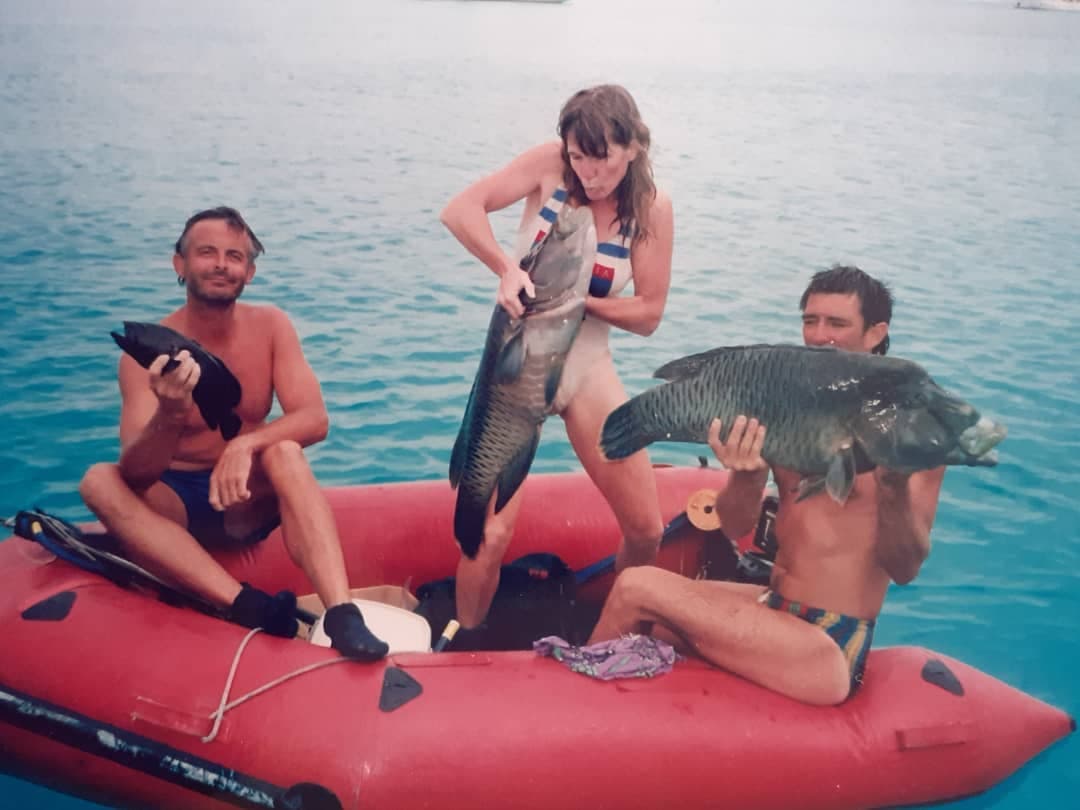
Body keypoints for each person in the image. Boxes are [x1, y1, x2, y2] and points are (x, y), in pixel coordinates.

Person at [589, 265, 945, 704]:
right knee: (655, 619)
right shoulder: (789, 405)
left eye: (837, 323)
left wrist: (892, 488)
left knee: (636, 587)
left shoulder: (911, 426)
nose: (819, 336)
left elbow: (906, 569)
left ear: (875, 333)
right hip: (775, 605)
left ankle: (571, 718)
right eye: (810, 321)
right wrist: (749, 473)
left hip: (829, 642)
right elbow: (735, 525)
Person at [79, 207, 388, 660]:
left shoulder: (271, 326)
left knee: (285, 451)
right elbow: (138, 474)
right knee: (98, 481)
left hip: (247, 498)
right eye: (206, 253)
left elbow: (315, 418)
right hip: (178, 505)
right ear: (179, 264)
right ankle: (249, 607)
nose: (221, 264)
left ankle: (341, 614)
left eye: (234, 256)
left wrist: (246, 442)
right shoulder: (143, 353)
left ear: (250, 271)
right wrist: (170, 410)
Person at [439, 84, 675, 628]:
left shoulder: (651, 207)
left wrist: (576, 302)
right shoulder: (548, 166)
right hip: (514, 364)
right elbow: (460, 210)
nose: (589, 174)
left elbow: (649, 314)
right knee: (489, 534)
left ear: (635, 146)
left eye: (604, 159)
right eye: (578, 157)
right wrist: (506, 268)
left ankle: (610, 630)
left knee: (645, 529)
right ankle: (460, 643)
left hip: (585, 367)